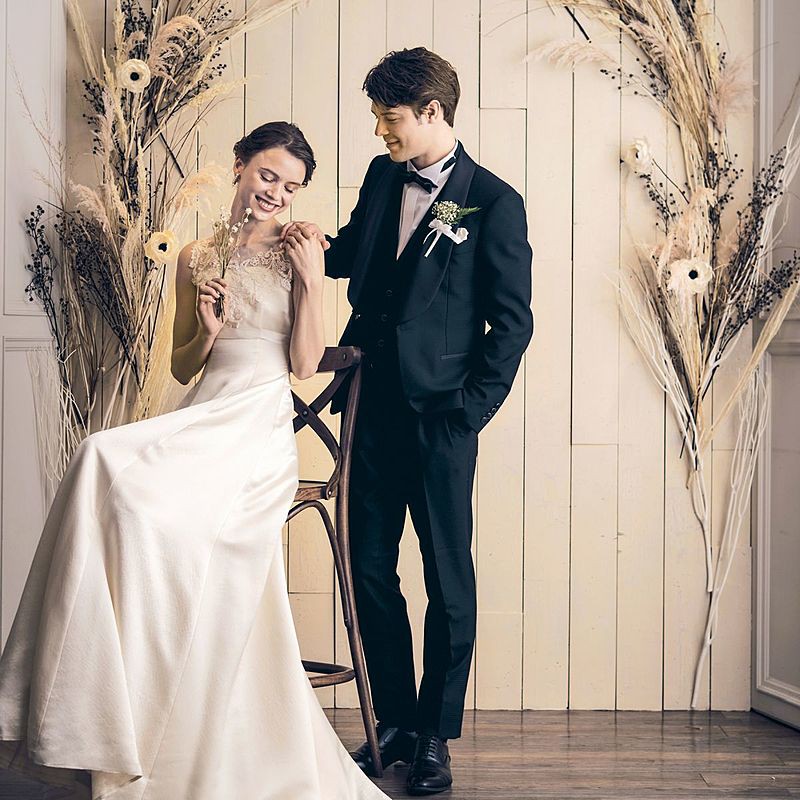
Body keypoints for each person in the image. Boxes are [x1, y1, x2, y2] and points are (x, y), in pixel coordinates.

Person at [0, 121, 391, 800]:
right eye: (268, 175)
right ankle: (98, 708)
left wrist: (311, 280)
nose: (276, 194)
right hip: (203, 410)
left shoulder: (301, 248)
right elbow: (184, 364)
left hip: (256, 423)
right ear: (240, 165)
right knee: (98, 457)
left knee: (147, 510)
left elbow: (303, 365)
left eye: (291, 186)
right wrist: (207, 329)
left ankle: (154, 703)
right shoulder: (195, 256)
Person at [284, 48, 534, 796]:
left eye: (389, 117)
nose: (380, 131)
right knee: (367, 567)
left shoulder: (492, 201)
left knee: (447, 579)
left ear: (432, 111)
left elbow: (512, 325)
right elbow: (353, 258)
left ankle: (433, 734)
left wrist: (469, 415)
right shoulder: (382, 176)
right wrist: (299, 242)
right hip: (369, 405)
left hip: (441, 419)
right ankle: (391, 721)